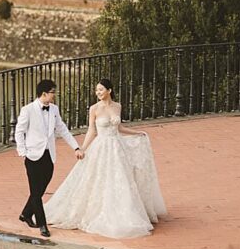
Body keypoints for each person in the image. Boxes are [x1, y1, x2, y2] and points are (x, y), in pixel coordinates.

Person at [44, 79, 167, 239]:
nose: (98, 93)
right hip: (101, 147)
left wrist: (137, 133)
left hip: (117, 147)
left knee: (121, 180)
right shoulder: (94, 108)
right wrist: (82, 148)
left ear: (109, 90)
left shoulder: (118, 106)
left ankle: (124, 211)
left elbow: (120, 128)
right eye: (97, 90)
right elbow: (91, 131)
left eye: (101, 89)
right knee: (98, 179)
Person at [14, 78, 83, 237]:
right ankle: (42, 225)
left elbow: (62, 129)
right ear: (44, 94)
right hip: (32, 155)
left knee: (40, 190)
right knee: (35, 191)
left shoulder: (54, 109)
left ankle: (25, 214)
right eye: (52, 92)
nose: (54, 95)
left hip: (48, 155)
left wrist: (76, 147)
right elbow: (19, 131)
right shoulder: (28, 110)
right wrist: (22, 151)